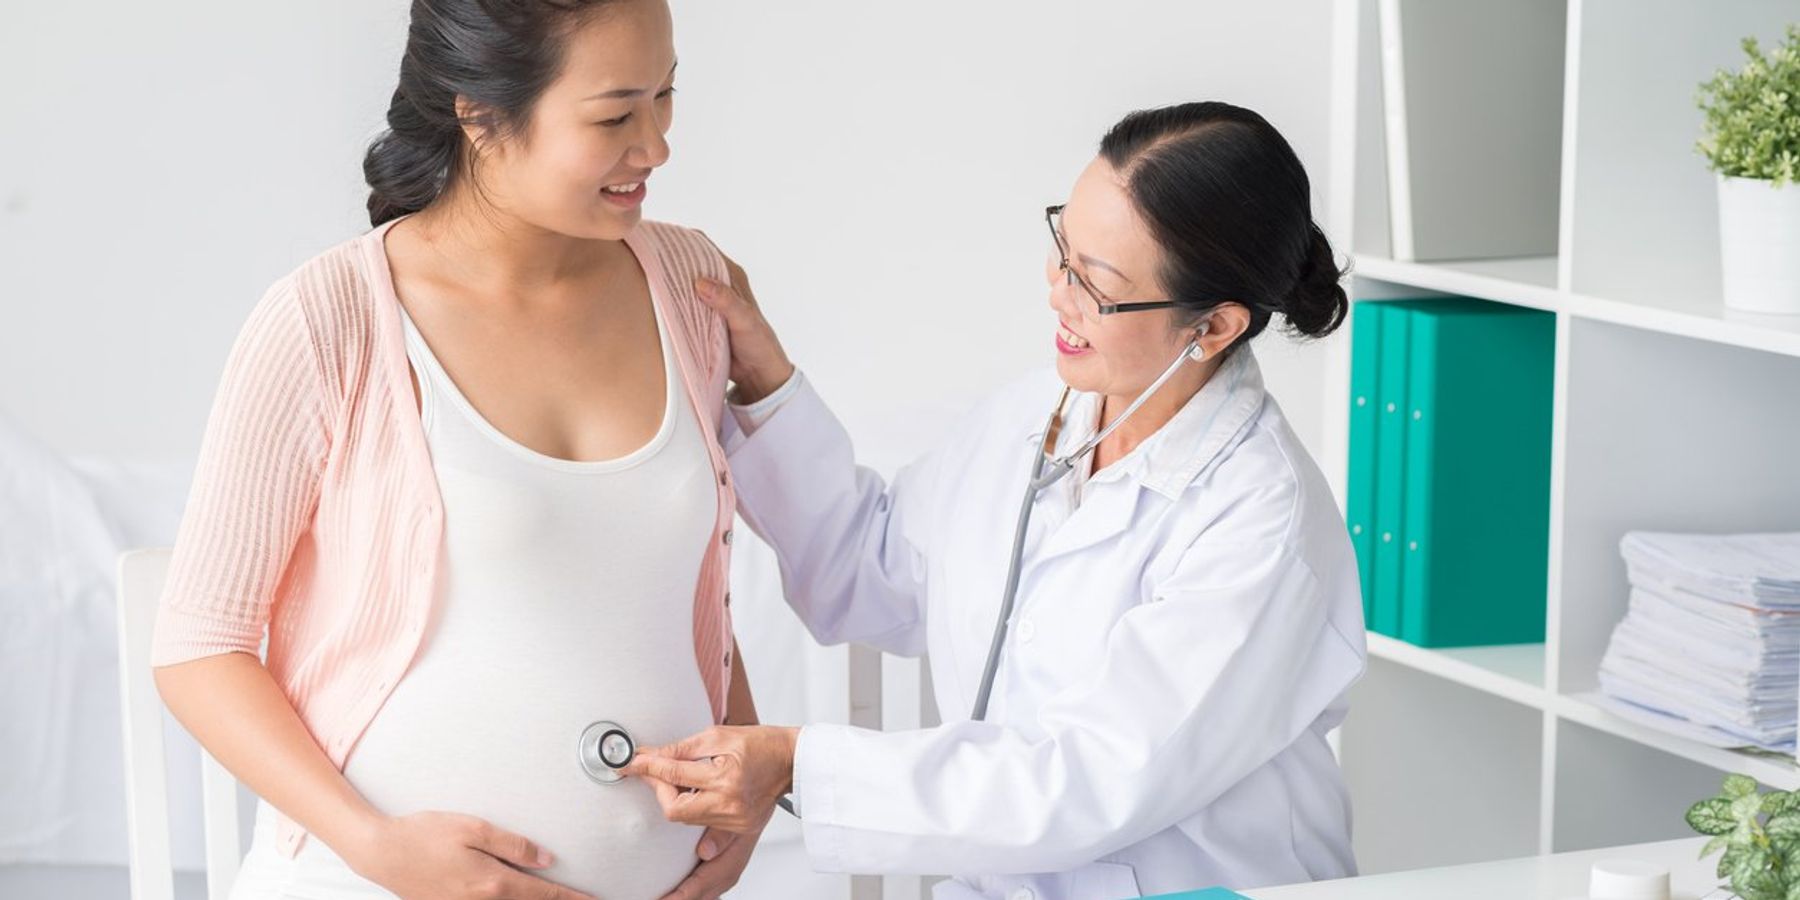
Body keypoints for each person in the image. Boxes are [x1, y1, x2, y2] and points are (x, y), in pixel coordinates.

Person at [627, 101, 1370, 900]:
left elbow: (1085, 780)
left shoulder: (1261, 522)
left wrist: (796, 764)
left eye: (1099, 286)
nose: (1059, 294)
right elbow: (872, 570)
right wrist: (765, 381)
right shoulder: (1042, 413)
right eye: (1063, 252)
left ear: (1215, 327)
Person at [150, 1, 762, 897]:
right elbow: (199, 646)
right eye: (613, 115)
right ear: (477, 113)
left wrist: (744, 783)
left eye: (665, 97)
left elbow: (683, 592)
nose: (656, 146)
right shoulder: (329, 322)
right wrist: (376, 847)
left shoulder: (687, 282)